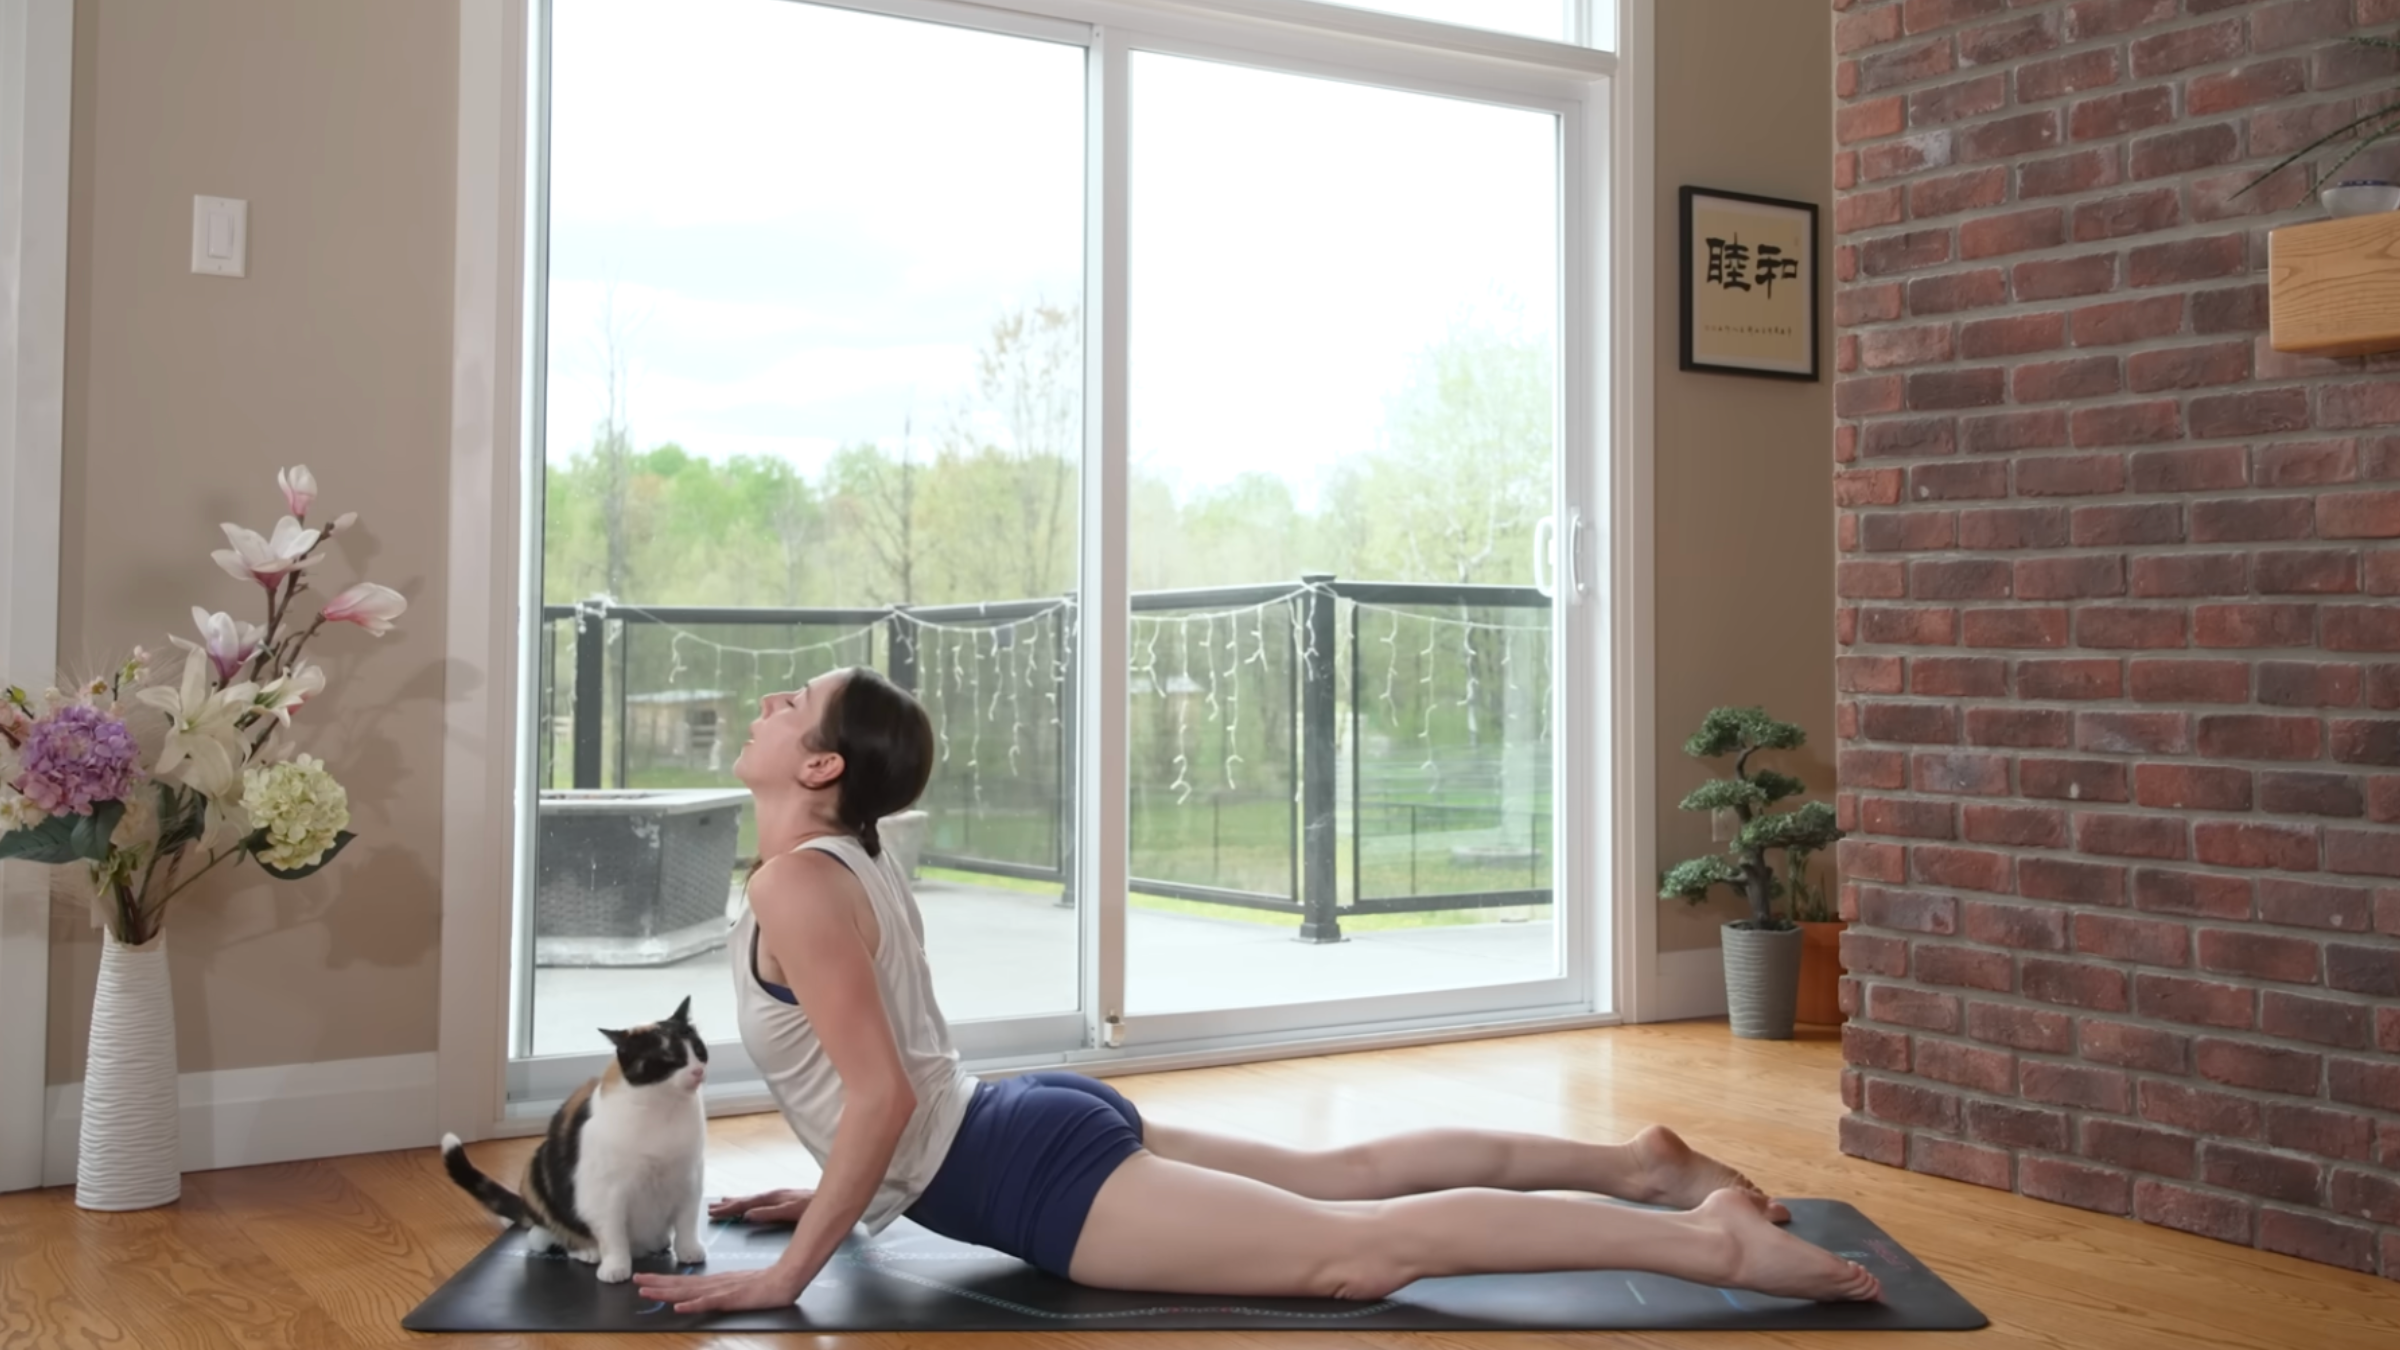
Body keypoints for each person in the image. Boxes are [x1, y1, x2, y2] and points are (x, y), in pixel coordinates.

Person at [634, 668, 1880, 1315]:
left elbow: (884, 1090)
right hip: (1017, 1125)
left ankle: (1698, 1241)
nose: (764, 705)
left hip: (1017, 1168)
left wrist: (789, 1270)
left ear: (820, 764)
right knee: (1347, 1181)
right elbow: (884, 1083)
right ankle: (1633, 1165)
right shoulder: (846, 860)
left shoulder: (797, 882)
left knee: (1361, 1253)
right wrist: (839, 1188)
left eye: (788, 702)